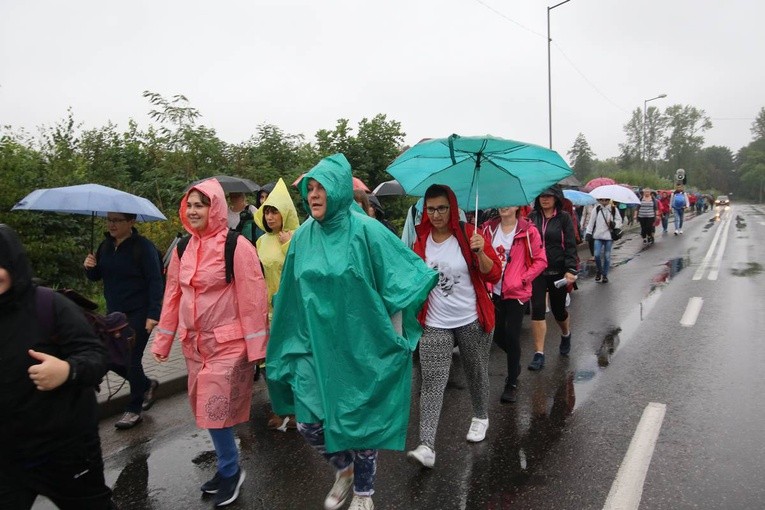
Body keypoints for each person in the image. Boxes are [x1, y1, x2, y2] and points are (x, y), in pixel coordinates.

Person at [266, 154, 437, 510]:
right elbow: (292, 294)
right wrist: (285, 336)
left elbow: (405, 276)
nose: (313, 195)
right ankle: (342, 470)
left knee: (360, 421)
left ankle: (363, 491)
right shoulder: (302, 239)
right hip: (314, 345)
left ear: (340, 190)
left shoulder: (367, 230)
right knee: (308, 424)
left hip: (362, 345)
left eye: (321, 187)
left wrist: (394, 339)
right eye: (309, 188)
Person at [151, 178, 269, 507]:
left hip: (228, 345)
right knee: (205, 409)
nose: (193, 210)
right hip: (193, 346)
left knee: (214, 408)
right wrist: (163, 341)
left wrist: (258, 347)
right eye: (189, 205)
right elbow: (172, 296)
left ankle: (231, 472)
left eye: (200, 205)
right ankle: (226, 465)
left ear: (214, 207)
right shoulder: (182, 248)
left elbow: (253, 297)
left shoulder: (236, 246)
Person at [0, 224, 114, 509]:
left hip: (65, 450)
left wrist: (67, 371)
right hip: (7, 458)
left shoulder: (49, 305)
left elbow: (96, 356)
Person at [407, 184, 501, 468]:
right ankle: (426, 445)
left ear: (452, 208)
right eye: (431, 209)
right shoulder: (420, 240)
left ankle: (481, 416)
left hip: (471, 318)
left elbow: (493, 273)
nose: (436, 215)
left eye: (442, 208)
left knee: (475, 371)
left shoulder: (469, 234)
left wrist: (481, 252)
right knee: (432, 383)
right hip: (435, 322)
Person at [83, 212, 163, 430]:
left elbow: (155, 281)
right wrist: (90, 266)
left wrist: (153, 314)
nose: (111, 224)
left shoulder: (143, 247)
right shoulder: (105, 246)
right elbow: (96, 276)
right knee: (112, 359)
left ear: (131, 222)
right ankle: (147, 385)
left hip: (140, 311)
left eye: (117, 220)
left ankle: (134, 409)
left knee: (131, 358)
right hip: (114, 315)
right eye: (109, 220)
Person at [481, 206, 547, 403]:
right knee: (496, 333)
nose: (504, 206)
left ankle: (511, 383)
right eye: (502, 202)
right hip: (493, 290)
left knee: (512, 334)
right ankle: (515, 360)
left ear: (517, 206)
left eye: (509, 202)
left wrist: (523, 279)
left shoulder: (528, 231)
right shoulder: (487, 230)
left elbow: (541, 261)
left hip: (516, 292)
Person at [253, 178, 300, 431]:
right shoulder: (260, 242)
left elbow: (302, 269)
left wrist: (287, 244)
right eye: (267, 211)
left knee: (292, 359)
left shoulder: (299, 236)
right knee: (271, 361)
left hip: (293, 309)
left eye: (275, 211)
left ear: (286, 213)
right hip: (268, 309)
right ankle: (279, 407)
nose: (270, 217)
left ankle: (296, 409)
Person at [526, 186, 578, 370]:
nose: (545, 199)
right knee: (538, 309)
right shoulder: (532, 217)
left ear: (556, 198)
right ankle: (539, 354)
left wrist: (571, 269)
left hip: (558, 272)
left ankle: (566, 334)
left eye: (549, 196)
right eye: (542, 196)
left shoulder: (563, 218)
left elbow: (571, 244)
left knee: (558, 311)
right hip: (537, 272)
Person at [585, 197, 622, 284]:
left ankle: (604, 275)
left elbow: (619, 220)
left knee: (607, 256)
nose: (604, 202)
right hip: (598, 236)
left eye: (606, 200)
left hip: (609, 237)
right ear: (599, 200)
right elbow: (591, 221)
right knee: (597, 255)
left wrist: (614, 224)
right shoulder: (597, 209)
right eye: (602, 200)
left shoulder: (613, 209)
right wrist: (588, 233)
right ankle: (599, 271)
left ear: (609, 200)